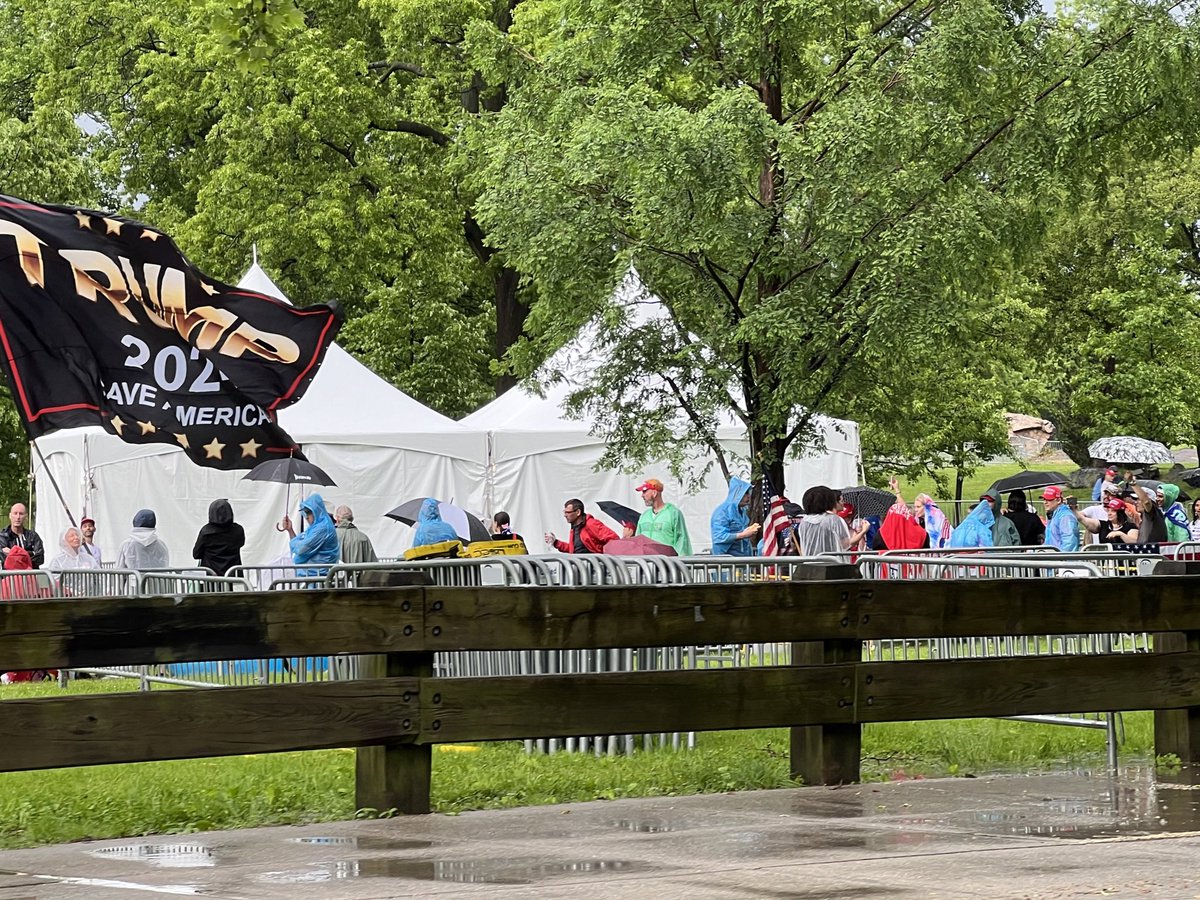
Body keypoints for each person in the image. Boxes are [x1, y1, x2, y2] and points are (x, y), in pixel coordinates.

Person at [795, 485, 869, 556]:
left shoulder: (804, 521)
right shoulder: (833, 519)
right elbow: (846, 545)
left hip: (809, 563)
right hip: (831, 563)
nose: (843, 503)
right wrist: (863, 531)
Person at [280, 494, 340, 577]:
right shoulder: (315, 527)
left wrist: (294, 544)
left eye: (308, 512)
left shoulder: (322, 528)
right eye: (305, 512)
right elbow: (300, 547)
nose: (306, 517)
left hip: (318, 579)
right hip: (311, 577)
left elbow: (301, 549)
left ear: (317, 511)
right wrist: (290, 530)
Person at [634, 478, 692, 556]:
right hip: (646, 564)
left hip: (667, 564)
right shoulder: (644, 516)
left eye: (645, 491)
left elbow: (682, 540)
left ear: (654, 493)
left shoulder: (673, 513)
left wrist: (683, 563)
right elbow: (638, 540)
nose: (642, 496)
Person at [192, 499, 246, 575]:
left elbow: (196, 554)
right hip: (232, 574)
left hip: (211, 575)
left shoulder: (206, 532)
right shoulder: (238, 530)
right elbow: (241, 543)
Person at [546, 499, 617, 554]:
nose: (565, 515)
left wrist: (603, 558)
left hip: (594, 569)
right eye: (564, 512)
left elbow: (613, 539)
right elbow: (574, 549)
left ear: (578, 512)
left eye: (567, 512)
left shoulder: (591, 523)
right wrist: (556, 543)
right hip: (582, 568)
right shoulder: (574, 527)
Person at [710, 477, 760, 556]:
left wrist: (747, 531)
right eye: (746, 493)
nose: (748, 496)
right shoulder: (722, 512)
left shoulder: (742, 511)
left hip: (742, 559)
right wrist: (743, 535)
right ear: (737, 493)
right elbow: (719, 536)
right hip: (725, 561)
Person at [0, 502, 44, 568]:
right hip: (9, 577)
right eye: (15, 513)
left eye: (21, 514)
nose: (18, 517)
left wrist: (12, 554)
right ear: (10, 516)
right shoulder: (2, 536)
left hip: (30, 576)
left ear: (26, 516)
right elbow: (4, 559)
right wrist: (31, 553)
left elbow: (40, 558)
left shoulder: (33, 536)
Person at [1041, 487, 1080, 551]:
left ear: (1058, 500)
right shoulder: (1053, 514)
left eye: (1049, 499)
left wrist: (1060, 558)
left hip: (1061, 558)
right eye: (1044, 499)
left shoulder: (1065, 516)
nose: (1045, 502)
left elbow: (1069, 543)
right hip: (1053, 557)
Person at [1131, 480, 1167, 544]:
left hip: (1154, 552)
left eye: (1139, 499)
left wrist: (1132, 483)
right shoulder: (1145, 516)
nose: (1136, 502)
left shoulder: (1154, 512)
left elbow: (1146, 502)